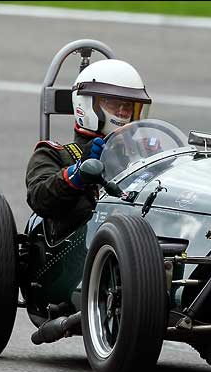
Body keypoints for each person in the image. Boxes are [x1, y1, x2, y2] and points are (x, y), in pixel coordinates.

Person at [25, 59, 152, 238]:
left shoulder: (139, 157)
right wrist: (79, 171)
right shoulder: (54, 154)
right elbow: (39, 200)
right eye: (114, 104)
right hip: (82, 246)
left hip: (143, 240)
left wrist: (160, 162)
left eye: (128, 106)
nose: (123, 113)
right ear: (86, 105)